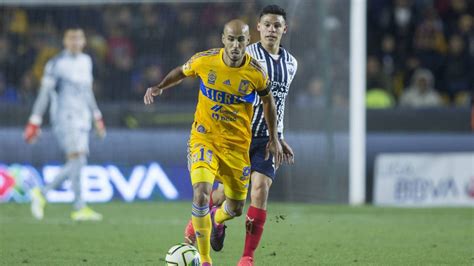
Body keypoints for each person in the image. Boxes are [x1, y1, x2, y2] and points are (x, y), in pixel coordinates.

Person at [144, 19, 282, 266]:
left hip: (238, 148)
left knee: (236, 207)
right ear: (223, 39)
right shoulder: (205, 60)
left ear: (248, 41)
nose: (236, 45)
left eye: (241, 39)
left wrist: (274, 138)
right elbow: (182, 71)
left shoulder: (256, 72)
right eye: (231, 39)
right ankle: (205, 260)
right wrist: (160, 87)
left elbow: (268, 102)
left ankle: (217, 219)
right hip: (204, 139)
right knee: (201, 193)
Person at [184, 5, 298, 266]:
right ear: (257, 28)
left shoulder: (291, 64)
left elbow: (276, 103)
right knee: (225, 198)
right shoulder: (246, 54)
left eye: (276, 25)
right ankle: (213, 218)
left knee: (260, 190)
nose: (271, 29)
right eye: (267, 24)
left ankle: (247, 257)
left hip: (266, 141)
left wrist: (277, 136)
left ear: (284, 29)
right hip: (236, 137)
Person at [25, 27, 106, 221]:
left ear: (84, 41)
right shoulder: (56, 64)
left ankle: (78, 207)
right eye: (71, 39)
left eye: (78, 38)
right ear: (64, 42)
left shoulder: (86, 61)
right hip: (64, 117)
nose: (75, 42)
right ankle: (44, 194)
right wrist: (34, 121)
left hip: (83, 117)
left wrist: (97, 117)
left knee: (78, 161)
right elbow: (44, 94)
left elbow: (87, 91)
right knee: (77, 158)